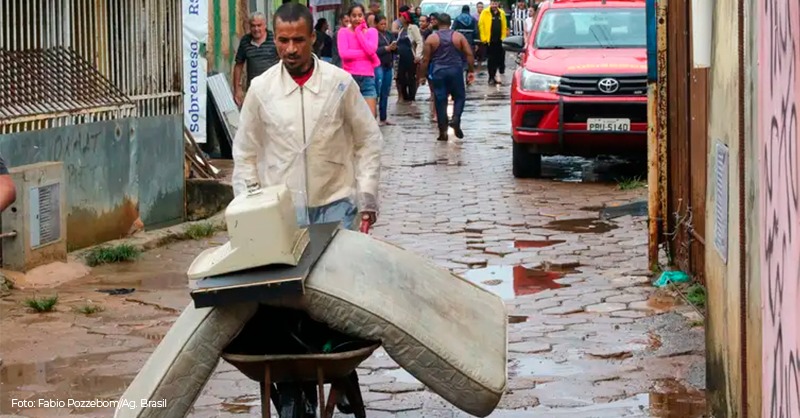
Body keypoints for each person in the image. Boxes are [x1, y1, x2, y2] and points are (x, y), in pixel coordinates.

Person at [232, 2, 382, 234]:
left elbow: (368, 139)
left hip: (337, 205)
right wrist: (249, 204)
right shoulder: (261, 90)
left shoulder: (339, 83)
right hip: (281, 209)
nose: (291, 49)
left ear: (312, 37)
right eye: (283, 40)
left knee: (336, 270)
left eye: (298, 40)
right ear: (276, 40)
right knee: (290, 271)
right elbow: (245, 152)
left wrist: (367, 197)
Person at [419, 13, 475, 141]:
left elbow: (425, 60)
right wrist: (470, 71)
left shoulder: (432, 38)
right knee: (460, 97)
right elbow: (469, 54)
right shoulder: (458, 36)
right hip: (455, 71)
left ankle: (443, 132)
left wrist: (422, 76)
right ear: (450, 23)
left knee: (440, 100)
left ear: (437, 23)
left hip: (439, 72)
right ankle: (456, 118)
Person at [338, 3, 381, 117]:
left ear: (364, 16)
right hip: (350, 78)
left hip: (368, 79)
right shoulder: (343, 32)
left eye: (360, 15)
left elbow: (371, 50)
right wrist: (366, 54)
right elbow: (344, 54)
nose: (357, 18)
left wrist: (358, 32)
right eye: (354, 15)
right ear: (349, 17)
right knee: (351, 120)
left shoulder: (372, 32)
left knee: (370, 119)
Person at [233, 12, 279, 107]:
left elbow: (285, 62)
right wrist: (237, 89)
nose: (256, 29)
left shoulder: (275, 39)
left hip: (273, 90)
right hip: (254, 91)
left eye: (259, 25)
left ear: (265, 25)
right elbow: (238, 65)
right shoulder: (245, 41)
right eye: (253, 26)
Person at [395, 9, 423, 102]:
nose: (400, 18)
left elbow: (419, 41)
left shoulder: (413, 28)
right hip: (401, 57)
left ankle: (411, 98)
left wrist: (418, 55)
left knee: (411, 77)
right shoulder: (401, 29)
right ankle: (405, 96)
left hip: (410, 56)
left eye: (401, 17)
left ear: (406, 18)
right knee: (400, 77)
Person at [479, 0, 507, 85]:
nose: (494, 5)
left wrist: (503, 38)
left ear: (498, 4)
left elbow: (504, 26)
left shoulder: (501, 13)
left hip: (499, 41)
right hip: (489, 41)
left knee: (498, 59)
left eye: (496, 3)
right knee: (491, 60)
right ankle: (491, 77)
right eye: (493, 3)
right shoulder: (485, 12)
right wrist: (484, 39)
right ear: (490, 4)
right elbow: (481, 25)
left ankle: (494, 75)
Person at [375, 15, 397, 124]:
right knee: (377, 90)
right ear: (376, 24)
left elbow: (395, 46)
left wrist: (394, 47)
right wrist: (386, 48)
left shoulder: (389, 34)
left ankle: (383, 117)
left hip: (388, 65)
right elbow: (373, 50)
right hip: (378, 65)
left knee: (385, 91)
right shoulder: (374, 35)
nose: (384, 26)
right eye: (381, 24)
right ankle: (374, 115)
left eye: (385, 24)